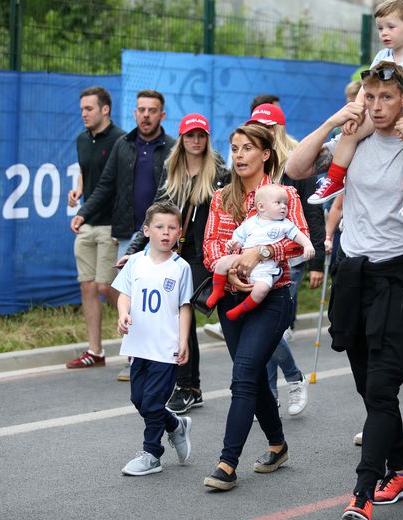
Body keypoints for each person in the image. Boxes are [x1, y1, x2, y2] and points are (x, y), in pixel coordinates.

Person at [286, 60, 403, 520]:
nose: (377, 106)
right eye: (370, 96)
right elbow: (295, 168)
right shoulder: (352, 138)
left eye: (386, 98)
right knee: (366, 384)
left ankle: (362, 491)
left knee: (381, 389)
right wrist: (334, 122)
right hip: (353, 275)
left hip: (399, 275)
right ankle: (401, 465)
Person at [202, 124, 309, 491]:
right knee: (251, 375)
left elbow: (299, 244)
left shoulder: (285, 195)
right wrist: (229, 270)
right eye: (234, 148)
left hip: (271, 297)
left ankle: (226, 464)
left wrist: (261, 252)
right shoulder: (221, 197)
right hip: (230, 296)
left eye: (247, 148)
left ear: (265, 153)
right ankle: (278, 446)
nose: (239, 155)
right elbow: (212, 246)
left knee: (244, 373)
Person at [120, 112, 229, 414]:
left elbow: (228, 217)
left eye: (201, 135)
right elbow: (156, 216)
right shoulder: (172, 171)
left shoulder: (220, 174)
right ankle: (187, 386)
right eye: (190, 135)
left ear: (207, 139)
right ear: (181, 139)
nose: (196, 140)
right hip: (176, 255)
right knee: (180, 314)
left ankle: (195, 385)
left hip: (204, 256)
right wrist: (134, 250)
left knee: (192, 314)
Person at [68, 90, 175, 373]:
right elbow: (105, 185)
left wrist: (169, 229)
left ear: (162, 115)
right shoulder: (124, 145)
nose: (146, 115)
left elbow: (175, 192)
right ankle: (136, 357)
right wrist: (83, 212)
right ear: (135, 113)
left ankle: (164, 355)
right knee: (131, 292)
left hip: (163, 233)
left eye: (152, 110)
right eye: (141, 110)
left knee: (158, 296)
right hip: (129, 230)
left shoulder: (172, 147)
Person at [308, 0, 403, 222]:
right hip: (388, 111)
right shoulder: (382, 57)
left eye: (390, 27)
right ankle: (335, 179)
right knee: (351, 130)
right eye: (380, 28)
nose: (384, 33)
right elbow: (366, 88)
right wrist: (356, 114)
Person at [244, 103, 323, 415]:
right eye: (256, 126)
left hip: (290, 260)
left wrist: (316, 261)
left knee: (269, 330)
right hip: (255, 261)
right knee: (260, 331)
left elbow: (313, 212)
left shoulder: (296, 164)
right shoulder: (255, 163)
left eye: (267, 127)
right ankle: (268, 397)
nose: (263, 132)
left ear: (278, 129)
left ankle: (293, 377)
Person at [112, 202, 193, 476]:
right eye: (159, 227)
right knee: (139, 399)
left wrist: (183, 341)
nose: (166, 233)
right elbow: (125, 294)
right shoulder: (135, 262)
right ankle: (175, 425)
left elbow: (184, 306)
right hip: (139, 345)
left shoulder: (181, 268)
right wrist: (123, 314)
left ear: (179, 231)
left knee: (152, 402)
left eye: (172, 228)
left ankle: (152, 454)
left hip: (165, 348)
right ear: (147, 230)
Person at [65, 86, 126, 372]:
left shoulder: (121, 140)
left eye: (88, 109)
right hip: (87, 221)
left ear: (105, 109)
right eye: (81, 109)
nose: (83, 114)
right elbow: (85, 171)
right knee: (88, 286)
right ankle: (95, 351)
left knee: (106, 285)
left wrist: (122, 223)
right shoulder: (81, 139)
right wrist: (78, 191)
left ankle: (139, 335)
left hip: (111, 225)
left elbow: (120, 183)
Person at [206, 183, 315, 319]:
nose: (283, 207)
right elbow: (239, 239)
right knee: (222, 262)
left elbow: (299, 236)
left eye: (285, 204)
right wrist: (232, 244)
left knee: (262, 289)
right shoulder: (251, 222)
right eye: (278, 203)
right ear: (261, 207)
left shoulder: (284, 225)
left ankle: (241, 309)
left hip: (265, 268)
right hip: (242, 259)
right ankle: (217, 290)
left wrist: (308, 245)